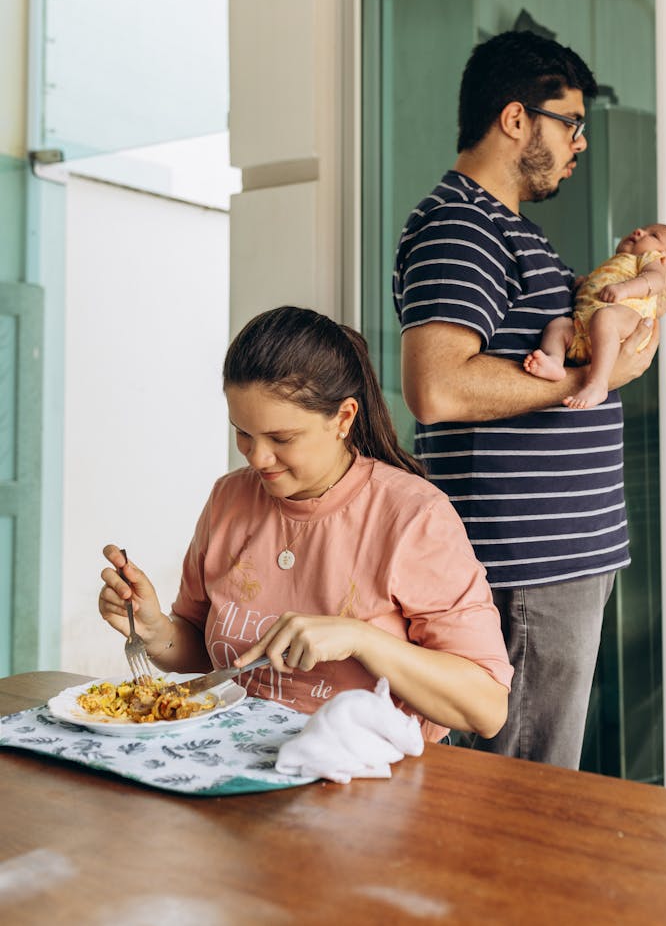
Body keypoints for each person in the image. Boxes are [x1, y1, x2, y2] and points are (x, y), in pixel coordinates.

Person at [393, 29, 666, 768]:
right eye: (572, 122)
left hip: (555, 558)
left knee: (535, 778)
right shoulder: (461, 225)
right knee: (520, 785)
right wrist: (597, 379)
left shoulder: (509, 229)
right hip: (525, 564)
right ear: (516, 119)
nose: (580, 144)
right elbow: (437, 387)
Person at [97, 306, 513, 744]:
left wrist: (362, 639)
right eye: (243, 433)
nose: (257, 458)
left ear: (344, 418)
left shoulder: (414, 516)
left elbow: (486, 708)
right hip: (235, 766)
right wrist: (154, 630)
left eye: (282, 439)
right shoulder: (228, 499)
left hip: (372, 781)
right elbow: (210, 659)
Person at [524, 223, 666, 409]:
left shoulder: (654, 260)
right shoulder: (617, 263)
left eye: (654, 235)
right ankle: (554, 360)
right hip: (586, 331)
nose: (639, 231)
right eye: (643, 229)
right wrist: (584, 285)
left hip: (625, 323)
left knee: (605, 317)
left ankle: (598, 384)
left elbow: (655, 280)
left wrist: (625, 289)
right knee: (559, 326)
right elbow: (600, 287)